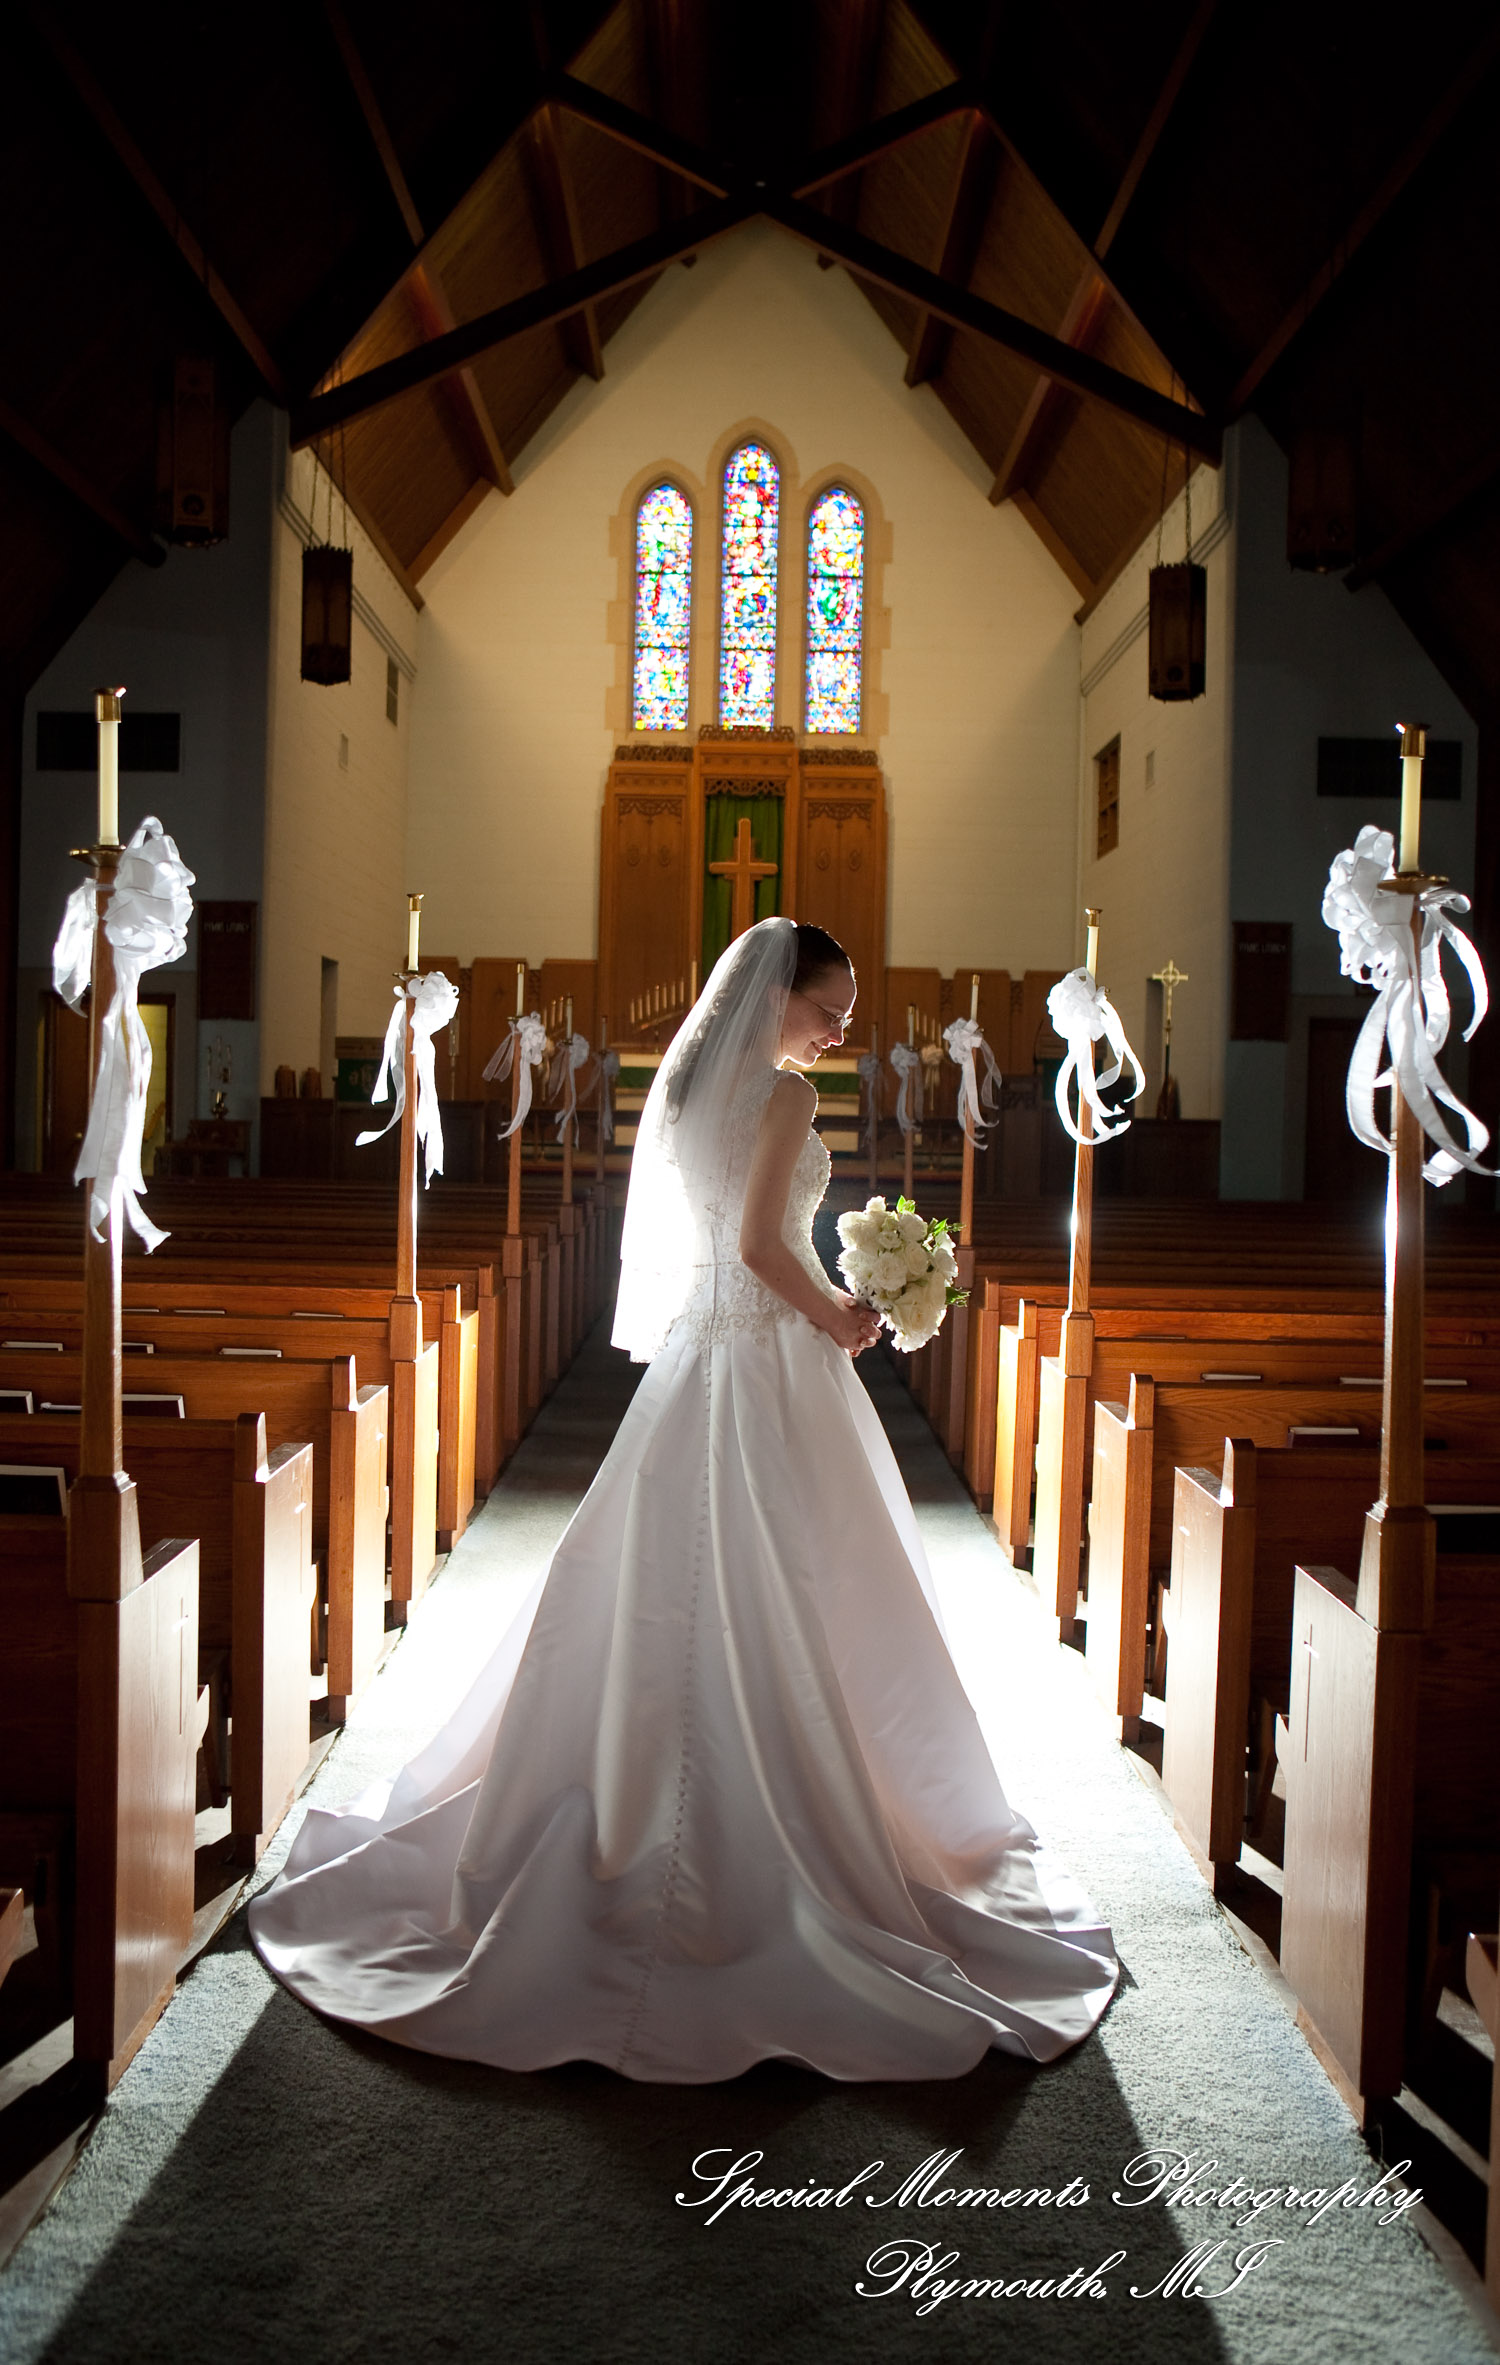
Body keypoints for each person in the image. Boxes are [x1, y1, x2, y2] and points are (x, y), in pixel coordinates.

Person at [249, 917, 1118, 2081]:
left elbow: (728, 1241)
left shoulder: (691, 1090)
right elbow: (764, 1246)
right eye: (830, 1007)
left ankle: (632, 1811)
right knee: (792, 1583)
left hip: (698, 1363)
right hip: (766, 1355)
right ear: (778, 999)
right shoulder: (790, 1103)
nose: (842, 1028)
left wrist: (839, 1291)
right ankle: (781, 1845)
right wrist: (846, 1315)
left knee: (669, 1588)